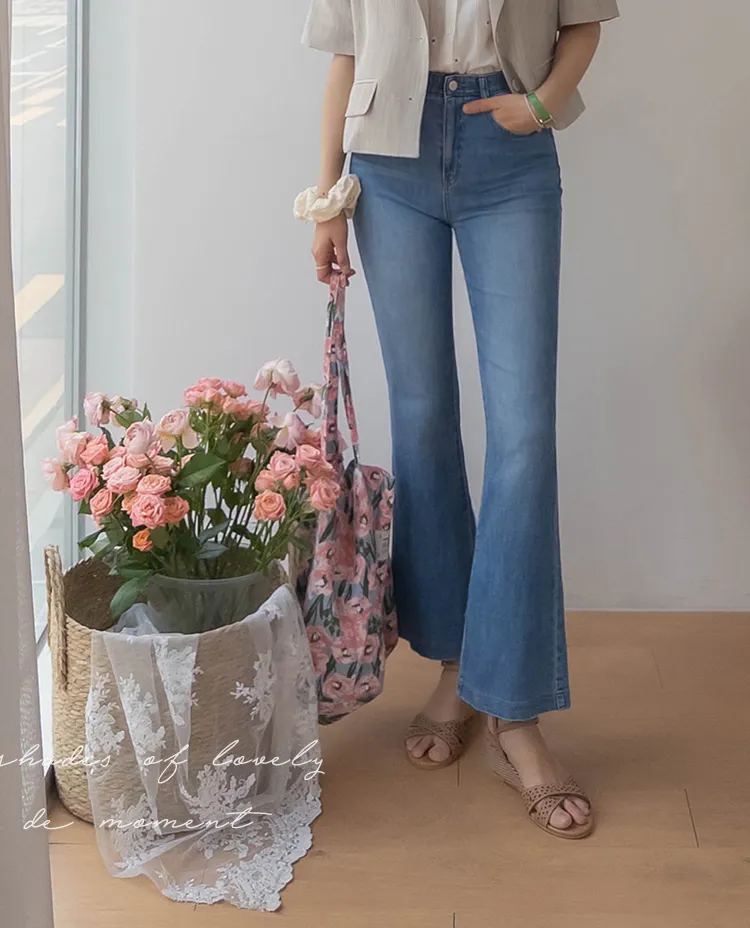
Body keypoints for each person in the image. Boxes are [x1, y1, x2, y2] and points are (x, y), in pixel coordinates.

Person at [296, 0, 619, 840]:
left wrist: (542, 103)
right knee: (423, 421)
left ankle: (515, 713)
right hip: (387, 165)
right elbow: (344, 55)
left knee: (524, 440)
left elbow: (585, 21)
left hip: (509, 154)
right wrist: (327, 199)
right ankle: (456, 667)